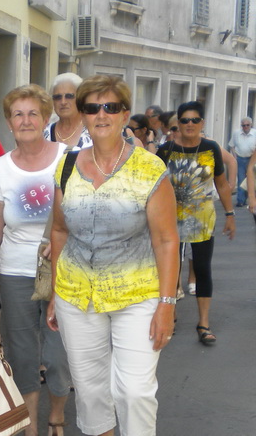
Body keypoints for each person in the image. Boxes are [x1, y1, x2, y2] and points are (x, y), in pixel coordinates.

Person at [46, 75, 180, 436]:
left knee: (134, 392)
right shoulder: (67, 166)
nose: (101, 114)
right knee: (90, 392)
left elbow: (167, 240)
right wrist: (56, 291)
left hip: (137, 295)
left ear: (124, 114)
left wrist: (166, 304)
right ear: (83, 116)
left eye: (111, 107)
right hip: (76, 295)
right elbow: (59, 230)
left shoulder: (149, 169)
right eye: (92, 108)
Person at [0, 84, 72, 436]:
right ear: (8, 122)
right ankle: (30, 426)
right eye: (18, 114)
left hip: (63, 270)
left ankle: (57, 416)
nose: (26, 120)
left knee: (59, 353)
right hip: (15, 272)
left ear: (46, 118)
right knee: (22, 354)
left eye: (33, 113)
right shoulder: (1, 167)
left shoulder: (68, 158)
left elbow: (83, 215)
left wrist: (62, 242)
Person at [156, 101, 236, 345]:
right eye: (184, 120)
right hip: (169, 220)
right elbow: (153, 185)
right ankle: (170, 316)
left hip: (202, 219)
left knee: (202, 269)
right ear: (178, 123)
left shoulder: (211, 148)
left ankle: (204, 323)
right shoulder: (166, 150)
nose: (189, 124)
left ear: (202, 123)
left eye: (194, 120)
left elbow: (221, 183)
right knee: (171, 269)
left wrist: (230, 214)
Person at [45, 73, 93, 149]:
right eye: (58, 97)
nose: (63, 102)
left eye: (69, 96)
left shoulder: (93, 131)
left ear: (80, 98)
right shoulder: (43, 132)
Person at [227, 117, 256, 207]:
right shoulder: (236, 133)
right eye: (243, 125)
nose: (245, 127)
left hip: (251, 159)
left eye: (247, 125)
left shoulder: (255, 133)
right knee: (241, 179)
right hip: (240, 159)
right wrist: (234, 156)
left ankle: (248, 198)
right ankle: (240, 200)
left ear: (251, 125)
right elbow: (231, 145)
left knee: (251, 179)